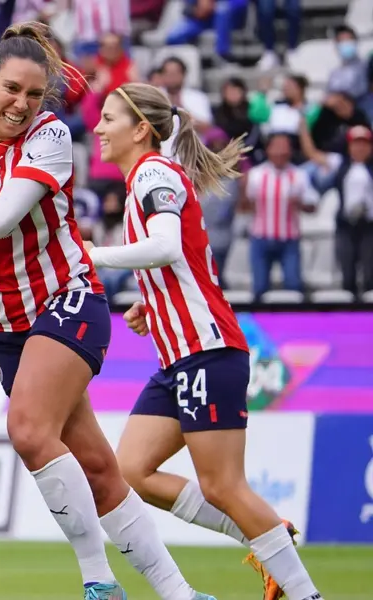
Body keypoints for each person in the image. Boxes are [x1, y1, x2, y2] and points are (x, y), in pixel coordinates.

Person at [0, 22, 212, 600]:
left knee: (28, 431)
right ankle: (180, 593)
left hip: (66, 297)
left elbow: (0, 218)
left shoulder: (49, 137)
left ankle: (98, 582)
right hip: (4, 328)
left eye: (34, 93)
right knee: (99, 468)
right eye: (11, 90)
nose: (22, 104)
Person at [86, 81, 326, 600]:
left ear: (141, 129)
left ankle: (306, 593)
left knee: (222, 485)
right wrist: (152, 300)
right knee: (133, 469)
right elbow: (184, 257)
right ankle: (264, 538)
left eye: (109, 119)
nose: (98, 128)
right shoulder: (146, 182)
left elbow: (167, 244)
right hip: (179, 354)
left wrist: (94, 255)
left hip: (206, 348)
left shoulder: (152, 172)